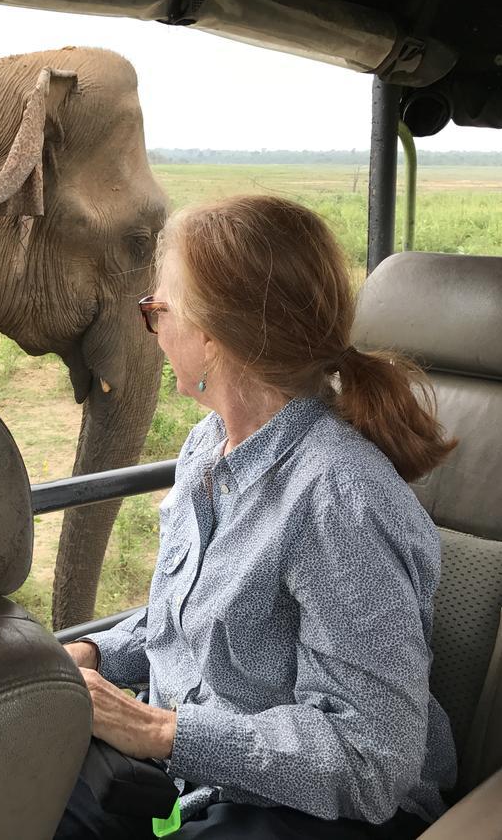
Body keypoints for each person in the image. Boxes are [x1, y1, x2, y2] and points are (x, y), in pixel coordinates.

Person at [55, 195, 458, 839]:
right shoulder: (206, 449)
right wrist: (93, 652)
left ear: (216, 339)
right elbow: (195, 622)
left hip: (318, 815)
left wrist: (159, 731)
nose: (151, 328)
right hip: (203, 781)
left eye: (156, 310)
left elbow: (374, 762)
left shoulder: (340, 500)